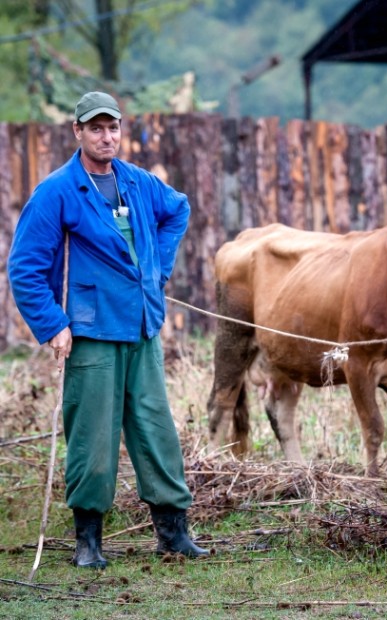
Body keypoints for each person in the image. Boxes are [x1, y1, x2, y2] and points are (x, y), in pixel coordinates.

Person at [8, 91, 208, 568]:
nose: (107, 136)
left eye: (113, 127)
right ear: (77, 131)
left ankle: (173, 533)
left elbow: (178, 209)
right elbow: (24, 268)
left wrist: (155, 270)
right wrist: (53, 324)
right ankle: (88, 542)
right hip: (92, 333)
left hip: (142, 328)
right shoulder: (57, 191)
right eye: (95, 128)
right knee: (92, 436)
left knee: (155, 429)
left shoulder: (137, 183)